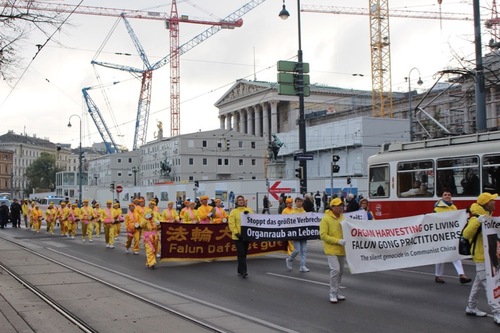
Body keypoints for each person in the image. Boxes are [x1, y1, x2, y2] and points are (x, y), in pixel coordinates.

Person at [463, 192, 500, 324]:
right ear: (486, 204)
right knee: (490, 286)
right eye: (492, 201)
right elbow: (466, 234)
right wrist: (478, 222)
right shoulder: (476, 218)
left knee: (478, 284)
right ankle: (497, 313)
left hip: (488, 256)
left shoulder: (488, 217)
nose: (495, 202)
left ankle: (471, 307)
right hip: (481, 257)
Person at [433, 190, 471, 284]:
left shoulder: (453, 207)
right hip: (441, 235)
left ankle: (461, 275)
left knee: (455, 254)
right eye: (445, 195)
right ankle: (438, 275)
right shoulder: (438, 208)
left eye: (449, 195)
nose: (447, 196)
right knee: (440, 256)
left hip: (451, 235)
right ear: (442, 197)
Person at [319, 198, 347, 304]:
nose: (340, 207)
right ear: (332, 207)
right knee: (335, 270)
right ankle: (332, 293)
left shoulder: (343, 217)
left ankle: (337, 291)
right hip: (331, 249)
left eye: (341, 205)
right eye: (338, 206)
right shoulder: (326, 219)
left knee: (341, 272)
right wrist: (338, 241)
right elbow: (323, 235)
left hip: (342, 249)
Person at [228, 195, 254, 278]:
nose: (241, 201)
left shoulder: (249, 210)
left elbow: (254, 219)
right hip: (237, 237)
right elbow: (231, 224)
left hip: (246, 235)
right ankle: (244, 271)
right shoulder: (234, 212)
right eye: (239, 200)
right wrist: (236, 233)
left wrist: (248, 215)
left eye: (242, 200)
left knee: (244, 253)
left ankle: (240, 269)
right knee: (241, 252)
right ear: (237, 202)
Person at [285, 197, 310, 272]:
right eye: (297, 201)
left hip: (303, 233)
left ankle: (302, 266)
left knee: (304, 250)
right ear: (295, 203)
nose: (299, 203)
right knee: (297, 250)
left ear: (302, 203)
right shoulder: (293, 212)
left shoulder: (305, 212)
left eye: (300, 201)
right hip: (296, 233)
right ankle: (289, 259)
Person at [141, 202, 160, 269]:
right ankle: (152, 263)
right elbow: (141, 225)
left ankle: (149, 262)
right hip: (148, 237)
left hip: (155, 237)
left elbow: (158, 228)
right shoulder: (144, 220)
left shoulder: (154, 220)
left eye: (151, 214)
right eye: (149, 214)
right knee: (150, 250)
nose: (151, 215)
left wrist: (159, 225)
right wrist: (146, 219)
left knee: (154, 250)